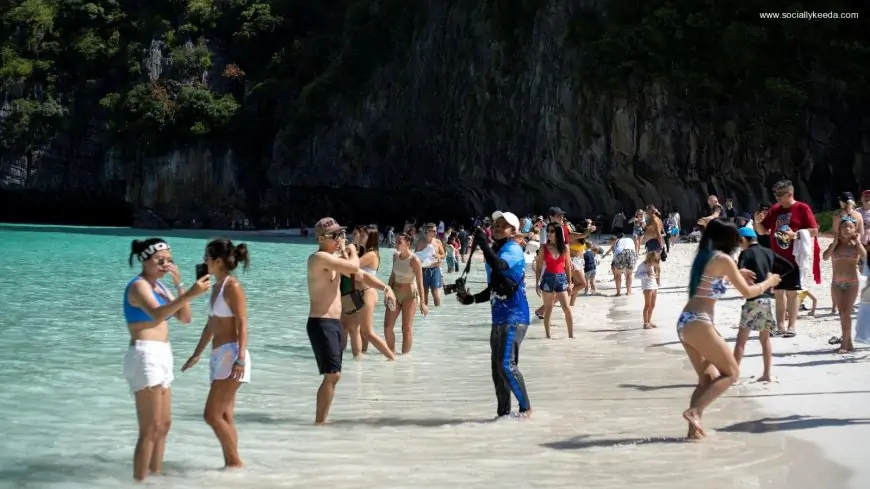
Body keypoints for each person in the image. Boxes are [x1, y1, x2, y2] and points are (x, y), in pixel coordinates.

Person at [678, 219, 781, 438]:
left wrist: (734, 273)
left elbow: (710, 281)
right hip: (699, 322)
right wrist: (769, 281)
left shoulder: (704, 256)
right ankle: (695, 411)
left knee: (706, 379)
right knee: (732, 373)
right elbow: (748, 293)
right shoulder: (723, 259)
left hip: (686, 321)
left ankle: (693, 433)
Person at [123, 238, 211, 481]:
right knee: (149, 428)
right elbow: (158, 313)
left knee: (164, 425)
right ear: (145, 261)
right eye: (159, 261)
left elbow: (185, 318)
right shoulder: (139, 286)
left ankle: (155, 476)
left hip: (162, 354)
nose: (165, 265)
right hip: (144, 354)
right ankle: (139, 481)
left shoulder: (160, 287)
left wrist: (180, 284)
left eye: (169, 261)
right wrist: (191, 294)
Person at [181, 238, 251, 468]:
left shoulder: (232, 287)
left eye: (206, 258)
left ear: (218, 261)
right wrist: (197, 354)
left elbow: (242, 323)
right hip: (218, 355)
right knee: (225, 416)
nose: (204, 262)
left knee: (211, 415)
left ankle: (236, 463)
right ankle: (231, 467)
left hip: (232, 355)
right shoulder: (215, 287)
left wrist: (240, 358)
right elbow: (210, 325)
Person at [456, 211, 532, 418]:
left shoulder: (513, 249)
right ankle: (503, 415)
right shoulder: (496, 251)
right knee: (497, 371)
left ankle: (526, 410)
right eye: (495, 225)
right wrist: (471, 299)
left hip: (515, 317)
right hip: (498, 317)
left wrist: (483, 245)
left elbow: (501, 267)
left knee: (506, 365)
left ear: (513, 231)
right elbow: (495, 288)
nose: (498, 228)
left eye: (503, 225)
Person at [306, 217, 361, 424]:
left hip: (334, 322)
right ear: (321, 238)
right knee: (332, 375)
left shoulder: (332, 257)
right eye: (335, 235)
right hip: (321, 322)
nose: (339, 239)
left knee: (334, 376)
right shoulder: (319, 258)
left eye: (341, 234)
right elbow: (354, 268)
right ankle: (319, 423)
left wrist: (385, 288)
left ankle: (322, 420)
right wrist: (353, 252)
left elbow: (353, 271)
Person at [754, 179, 819, 337]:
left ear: (790, 193)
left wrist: (796, 235)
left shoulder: (802, 208)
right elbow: (763, 231)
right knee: (778, 292)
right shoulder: (775, 209)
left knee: (792, 292)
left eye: (780, 195)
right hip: (776, 257)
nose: (776, 198)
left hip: (794, 257)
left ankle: (792, 326)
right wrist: (757, 221)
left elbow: (814, 230)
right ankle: (780, 325)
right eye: (775, 195)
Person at [731, 228, 777, 382]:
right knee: (765, 339)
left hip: (752, 299)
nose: (739, 246)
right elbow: (788, 267)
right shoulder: (768, 252)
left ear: (744, 240)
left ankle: (733, 375)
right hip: (767, 300)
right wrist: (771, 281)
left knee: (741, 339)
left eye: (739, 242)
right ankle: (767, 374)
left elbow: (739, 272)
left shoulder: (745, 254)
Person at [822, 216, 866, 353]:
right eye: (843, 227)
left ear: (855, 230)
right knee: (842, 313)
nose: (846, 229)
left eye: (850, 227)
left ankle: (845, 345)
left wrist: (858, 242)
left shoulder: (856, 245)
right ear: (839, 230)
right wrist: (834, 243)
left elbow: (865, 257)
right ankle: (849, 342)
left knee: (846, 312)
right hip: (836, 284)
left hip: (852, 283)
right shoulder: (835, 245)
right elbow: (825, 257)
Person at [534, 222, 574, 339]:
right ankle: (548, 337)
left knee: (567, 308)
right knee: (548, 308)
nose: (549, 234)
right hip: (547, 279)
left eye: (552, 231)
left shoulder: (565, 248)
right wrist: (537, 284)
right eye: (548, 231)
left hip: (561, 279)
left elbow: (567, 267)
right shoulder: (544, 248)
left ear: (558, 233)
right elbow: (539, 267)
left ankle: (571, 337)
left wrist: (570, 283)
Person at [635, 251, 660, 329]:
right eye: (654, 262)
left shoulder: (654, 265)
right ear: (650, 259)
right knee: (647, 305)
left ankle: (649, 321)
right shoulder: (643, 265)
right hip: (647, 287)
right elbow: (636, 276)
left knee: (652, 305)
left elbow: (657, 272)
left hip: (654, 286)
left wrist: (658, 280)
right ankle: (645, 323)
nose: (654, 264)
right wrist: (646, 275)